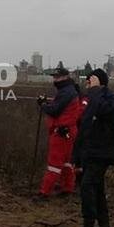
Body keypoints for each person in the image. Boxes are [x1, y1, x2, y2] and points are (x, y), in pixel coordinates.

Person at [72, 68, 114, 227]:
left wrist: (96, 90)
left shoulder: (113, 99)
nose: (88, 84)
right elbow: (83, 129)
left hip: (102, 152)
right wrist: (76, 157)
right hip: (89, 152)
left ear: (100, 82)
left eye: (91, 80)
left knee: (87, 187)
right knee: (97, 189)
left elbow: (102, 111)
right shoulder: (90, 101)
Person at [36, 67, 82, 198]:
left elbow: (55, 110)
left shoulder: (66, 92)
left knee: (54, 163)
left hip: (61, 132)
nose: (55, 79)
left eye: (58, 77)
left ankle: (45, 191)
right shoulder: (69, 91)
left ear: (65, 77)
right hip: (69, 131)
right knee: (67, 161)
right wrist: (48, 103)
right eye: (54, 77)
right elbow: (61, 107)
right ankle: (67, 187)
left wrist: (43, 105)